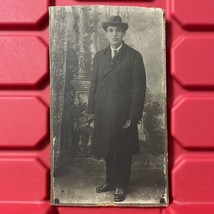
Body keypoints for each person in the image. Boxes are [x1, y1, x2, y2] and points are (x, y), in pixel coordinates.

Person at [88, 15, 146, 202]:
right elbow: (94, 84)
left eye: (118, 30)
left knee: (123, 150)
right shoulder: (99, 56)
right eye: (111, 30)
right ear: (106, 34)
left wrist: (133, 116)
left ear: (123, 33)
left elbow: (138, 90)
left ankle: (121, 185)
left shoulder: (134, 56)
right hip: (104, 112)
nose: (114, 34)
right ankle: (111, 181)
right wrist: (91, 110)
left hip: (123, 114)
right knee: (107, 148)